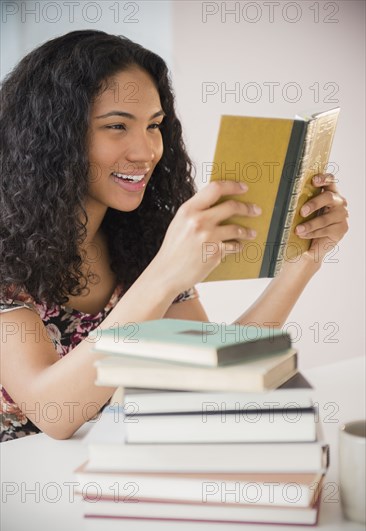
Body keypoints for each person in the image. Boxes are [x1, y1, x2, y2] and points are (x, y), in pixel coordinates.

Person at [0, 30, 349, 442]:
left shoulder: (138, 237)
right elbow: (54, 414)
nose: (145, 151)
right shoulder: (8, 249)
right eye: (117, 126)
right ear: (52, 137)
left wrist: (303, 261)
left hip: (104, 471)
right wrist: (166, 274)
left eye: (154, 125)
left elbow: (212, 370)